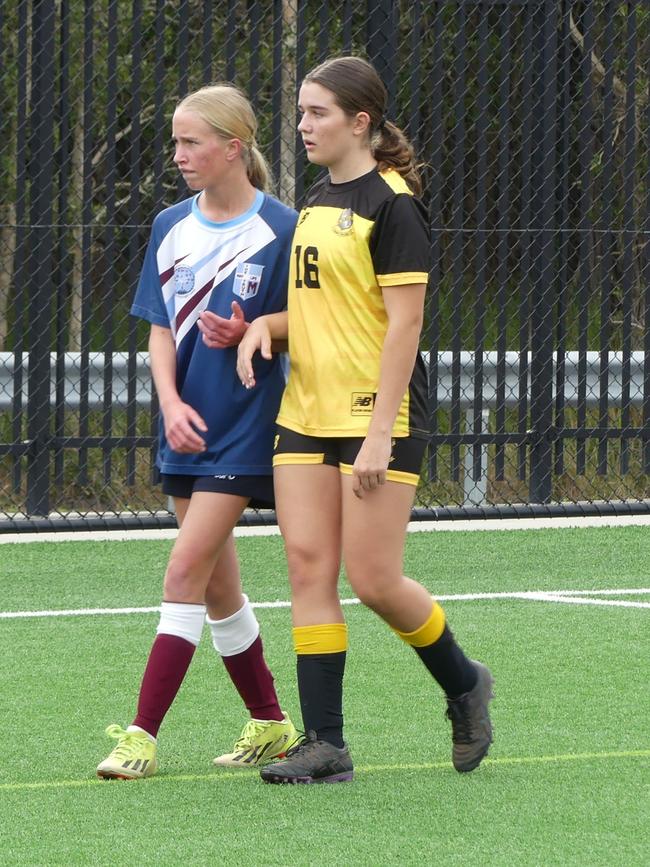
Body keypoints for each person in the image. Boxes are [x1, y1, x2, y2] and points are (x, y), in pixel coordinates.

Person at [233, 56, 494, 784]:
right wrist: (268, 328)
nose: (304, 124)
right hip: (305, 410)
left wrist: (380, 428)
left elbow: (403, 325)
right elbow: (327, 307)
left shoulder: (394, 203)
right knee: (308, 566)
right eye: (301, 112)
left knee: (374, 578)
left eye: (317, 113)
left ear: (360, 121)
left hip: (376, 410)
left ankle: (464, 681)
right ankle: (327, 744)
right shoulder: (318, 199)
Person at [96, 83, 299, 780]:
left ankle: (141, 736)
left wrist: (257, 330)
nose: (178, 154)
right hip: (185, 428)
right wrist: (171, 403)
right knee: (215, 586)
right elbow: (159, 326)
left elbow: (319, 321)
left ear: (233, 148)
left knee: (184, 569)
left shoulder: (283, 228)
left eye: (191, 142)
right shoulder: (169, 226)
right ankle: (272, 721)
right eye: (176, 141)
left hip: (247, 428)